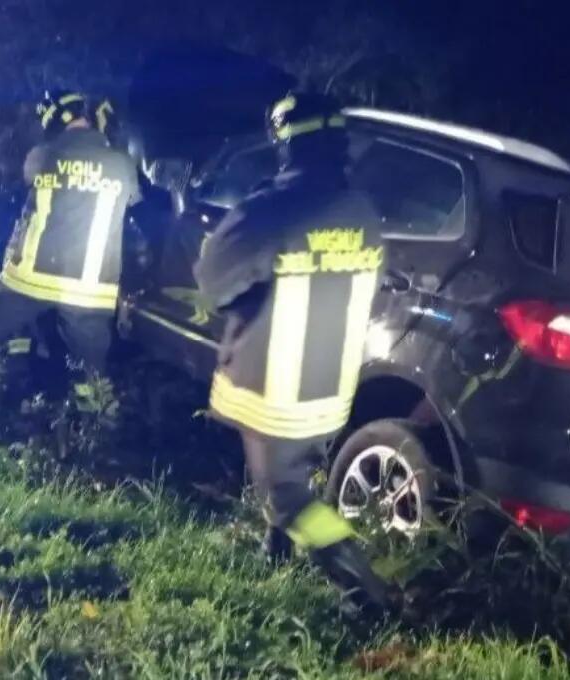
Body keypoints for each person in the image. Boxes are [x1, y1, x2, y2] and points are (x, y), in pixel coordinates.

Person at [193, 91, 391, 612]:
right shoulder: (362, 210)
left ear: (284, 142)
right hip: (330, 382)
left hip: (274, 384)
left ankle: (364, 595)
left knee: (287, 495)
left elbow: (213, 282)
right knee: (288, 473)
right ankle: (274, 555)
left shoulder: (270, 209)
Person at [0, 90, 141, 426]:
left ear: (51, 119)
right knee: (89, 373)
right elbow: (133, 201)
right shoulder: (122, 164)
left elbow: (32, 179)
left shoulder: (43, 156)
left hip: (31, 278)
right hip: (92, 290)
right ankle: (91, 438)